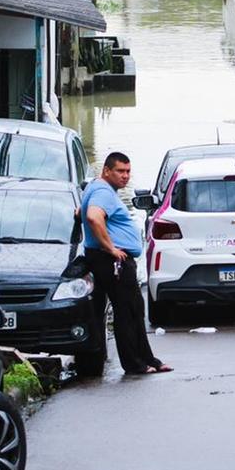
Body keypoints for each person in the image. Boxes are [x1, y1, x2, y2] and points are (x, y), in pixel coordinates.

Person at [82, 152, 172, 375]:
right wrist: (110, 248)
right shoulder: (103, 191)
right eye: (120, 171)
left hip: (105, 258)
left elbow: (81, 213)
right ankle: (134, 364)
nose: (125, 176)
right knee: (127, 311)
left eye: (128, 171)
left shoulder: (95, 188)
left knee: (134, 309)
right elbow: (93, 217)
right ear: (106, 171)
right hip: (112, 261)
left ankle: (147, 358)